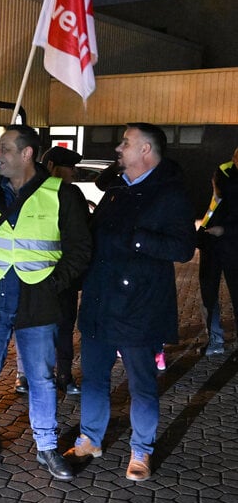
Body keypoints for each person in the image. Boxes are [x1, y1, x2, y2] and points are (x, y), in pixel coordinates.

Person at [0, 125, 90, 482]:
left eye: (4, 148)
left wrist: (54, 286)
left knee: (42, 378)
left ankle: (46, 447)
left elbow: (80, 249)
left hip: (38, 303)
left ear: (27, 153)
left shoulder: (62, 194)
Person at [67, 123, 196, 481]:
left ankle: (142, 449)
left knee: (141, 382)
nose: (118, 149)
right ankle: (90, 438)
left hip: (139, 305)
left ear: (146, 151)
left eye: (126, 143)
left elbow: (184, 248)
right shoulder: (115, 190)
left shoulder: (171, 194)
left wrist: (136, 239)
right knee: (93, 378)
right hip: (100, 299)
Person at [40, 145, 86, 395]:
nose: (74, 173)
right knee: (44, 329)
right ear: (53, 167)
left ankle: (63, 375)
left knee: (65, 328)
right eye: (70, 167)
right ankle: (50, 376)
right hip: (44, 275)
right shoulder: (38, 192)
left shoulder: (71, 194)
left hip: (62, 275)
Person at [197, 146, 238, 356]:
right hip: (213, 242)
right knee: (208, 293)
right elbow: (217, 201)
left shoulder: (224, 171)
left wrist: (226, 229)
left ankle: (216, 340)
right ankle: (214, 340)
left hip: (230, 241)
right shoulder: (224, 170)